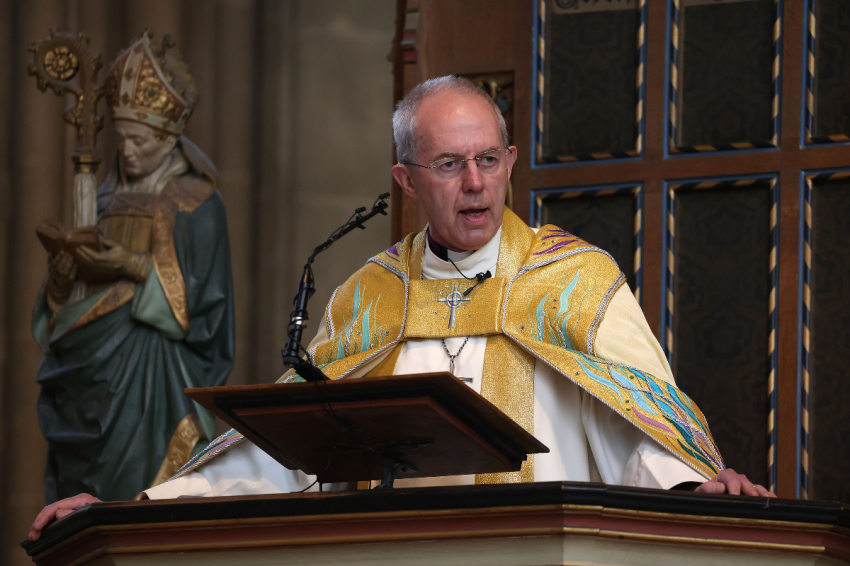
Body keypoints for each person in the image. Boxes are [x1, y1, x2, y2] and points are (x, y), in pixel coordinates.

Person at [30, 75, 770, 541]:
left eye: (488, 160)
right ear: (406, 179)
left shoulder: (573, 280)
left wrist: (693, 482)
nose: (475, 183)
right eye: (449, 165)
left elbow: (632, 426)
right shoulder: (368, 296)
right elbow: (290, 451)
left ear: (511, 164)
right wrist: (140, 508)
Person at [31, 33, 234, 506]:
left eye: (140, 141)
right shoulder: (101, 198)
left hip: (153, 379)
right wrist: (62, 279)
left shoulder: (198, 205)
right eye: (121, 140)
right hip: (88, 373)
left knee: (140, 499)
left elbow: (208, 312)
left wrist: (134, 265)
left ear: (169, 138)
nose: (128, 152)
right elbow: (60, 309)